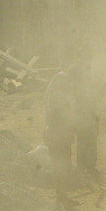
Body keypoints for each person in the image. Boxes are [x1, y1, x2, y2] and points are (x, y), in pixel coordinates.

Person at [43, 70, 76, 204]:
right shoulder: (58, 97)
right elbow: (59, 116)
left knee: (60, 166)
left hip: (55, 135)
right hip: (59, 136)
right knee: (62, 166)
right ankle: (62, 197)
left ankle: (61, 196)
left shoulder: (53, 95)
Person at [70, 62, 102, 185]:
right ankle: (83, 168)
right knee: (84, 145)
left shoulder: (86, 87)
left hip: (88, 119)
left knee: (89, 145)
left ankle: (89, 167)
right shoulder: (77, 88)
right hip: (83, 120)